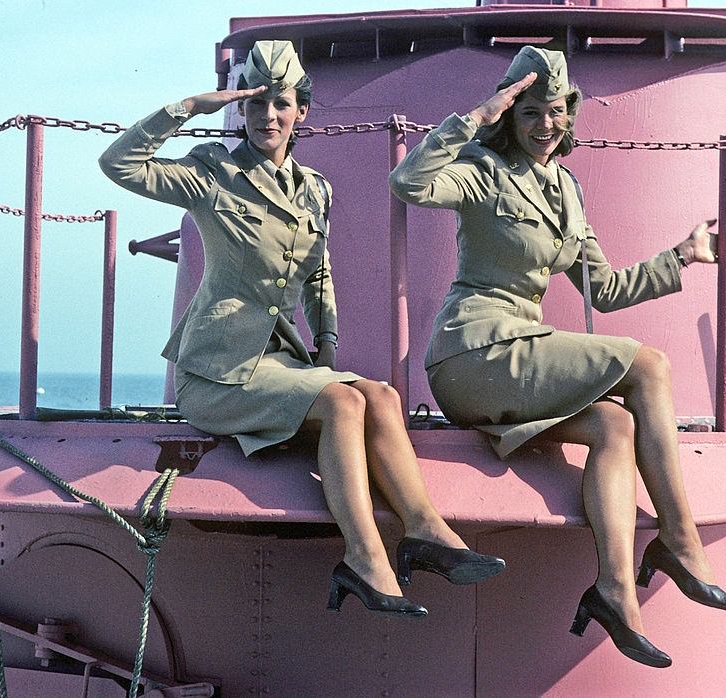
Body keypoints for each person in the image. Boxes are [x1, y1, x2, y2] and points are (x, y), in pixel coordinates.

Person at [100, 40, 504, 619]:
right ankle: (364, 557)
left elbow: (319, 277)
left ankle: (425, 531)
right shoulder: (212, 173)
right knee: (342, 405)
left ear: (302, 113)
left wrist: (327, 349)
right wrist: (189, 106)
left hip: (280, 363)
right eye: (257, 103)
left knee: (380, 395)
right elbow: (119, 165)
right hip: (215, 370)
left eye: (281, 103)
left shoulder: (314, 189)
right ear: (242, 109)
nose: (269, 115)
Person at [390, 46, 726, 668]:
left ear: (569, 112)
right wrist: (480, 113)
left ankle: (614, 588)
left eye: (555, 110)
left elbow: (602, 290)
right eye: (529, 112)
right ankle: (680, 540)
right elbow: (409, 183)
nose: (545, 124)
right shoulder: (482, 168)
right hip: (473, 351)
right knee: (649, 364)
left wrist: (682, 255)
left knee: (615, 423)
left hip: (521, 351)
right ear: (511, 114)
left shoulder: (569, 191)